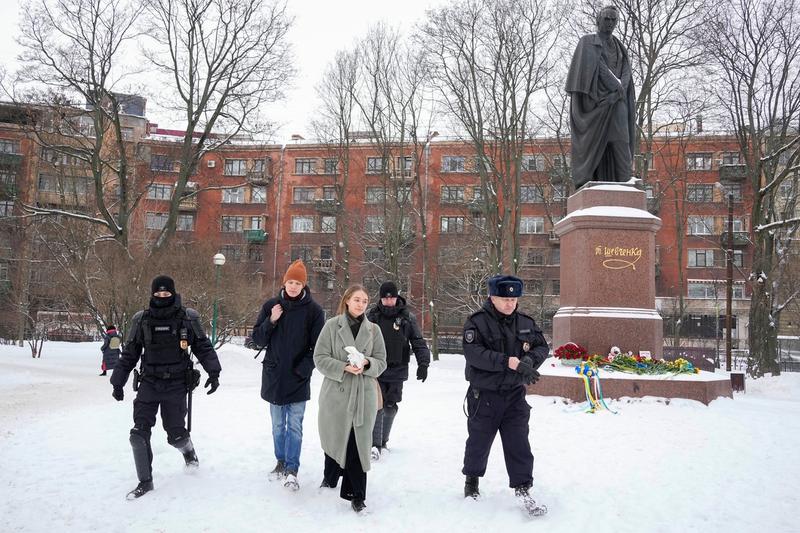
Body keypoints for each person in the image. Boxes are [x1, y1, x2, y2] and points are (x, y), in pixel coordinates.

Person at [110, 275, 222, 500]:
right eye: (158, 293)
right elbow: (130, 352)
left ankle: (188, 452)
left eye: (167, 293)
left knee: (176, 435)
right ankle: (145, 482)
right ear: (152, 294)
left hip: (176, 384)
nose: (162, 297)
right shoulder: (141, 320)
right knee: (138, 434)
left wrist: (214, 372)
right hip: (149, 383)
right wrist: (117, 382)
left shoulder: (187, 318)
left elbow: (203, 346)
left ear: (173, 293)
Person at [461, 275, 549, 516]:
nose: (510, 304)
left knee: (518, 443)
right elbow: (474, 354)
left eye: (513, 299)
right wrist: (507, 362)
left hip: (514, 395)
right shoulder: (476, 323)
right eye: (504, 298)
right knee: (479, 442)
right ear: (492, 297)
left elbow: (543, 346)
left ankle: (523, 487)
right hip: (485, 396)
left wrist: (529, 360)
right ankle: (472, 481)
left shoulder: (525, 322)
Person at [251, 259, 325, 491]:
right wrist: (271, 320)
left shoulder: (314, 311)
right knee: (276, 426)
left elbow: (318, 348)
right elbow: (258, 340)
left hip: (298, 378)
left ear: (304, 285)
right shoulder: (271, 306)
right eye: (290, 282)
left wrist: (303, 369)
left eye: (297, 282)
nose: (293, 286)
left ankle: (292, 468)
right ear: (284, 282)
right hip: (274, 375)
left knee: (294, 425)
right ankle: (280, 461)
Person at [313, 284, 387, 513]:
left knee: (359, 443)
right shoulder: (331, 326)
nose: (360, 304)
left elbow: (382, 362)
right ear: (347, 300)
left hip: (363, 395)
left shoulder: (374, 330)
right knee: (335, 436)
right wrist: (343, 367)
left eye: (364, 301)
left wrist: (366, 364)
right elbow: (319, 358)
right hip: (336, 395)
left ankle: (357, 494)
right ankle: (331, 475)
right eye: (356, 299)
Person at [565, 5, 636, 189]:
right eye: (607, 19)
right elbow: (600, 68)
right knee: (596, 145)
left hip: (616, 102)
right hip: (596, 104)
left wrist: (618, 92)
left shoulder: (619, 46)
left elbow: (626, 72)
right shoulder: (588, 43)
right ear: (598, 20)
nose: (610, 23)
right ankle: (593, 182)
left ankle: (626, 181)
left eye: (614, 20)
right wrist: (617, 89)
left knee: (621, 139)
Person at [366, 281, 430, 460]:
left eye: (392, 297)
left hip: (397, 368)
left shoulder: (407, 317)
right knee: (375, 406)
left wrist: (423, 364)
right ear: (380, 298)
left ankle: (383, 441)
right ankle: (374, 444)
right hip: (375, 369)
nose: (388, 301)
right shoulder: (372, 316)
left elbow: (418, 341)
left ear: (396, 297)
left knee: (389, 406)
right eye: (385, 298)